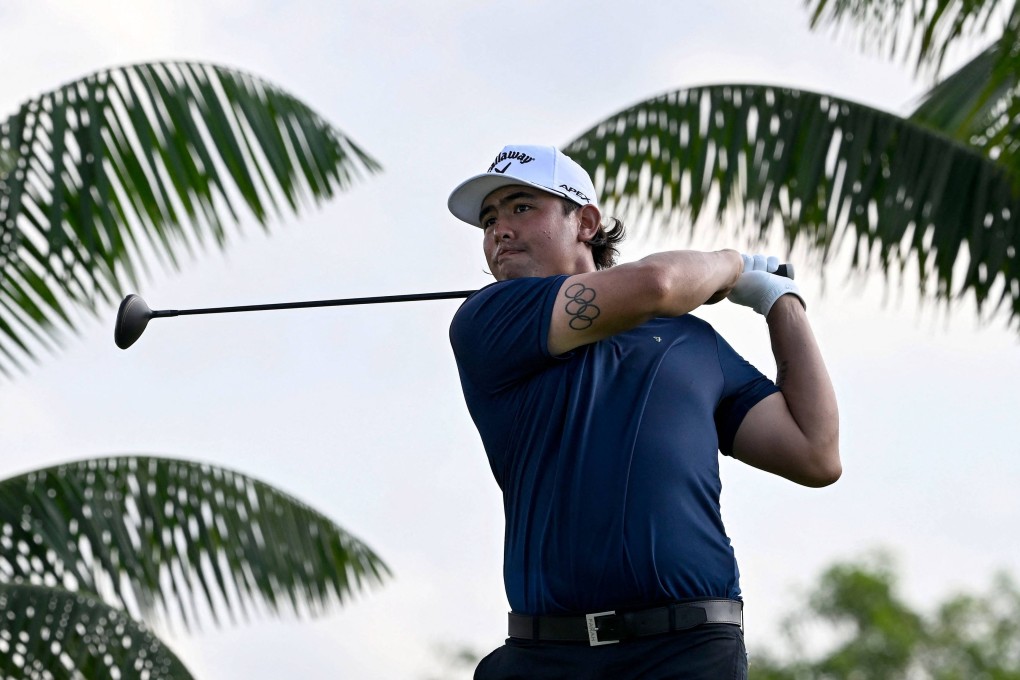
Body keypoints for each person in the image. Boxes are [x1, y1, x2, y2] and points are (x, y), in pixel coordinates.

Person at [447, 144, 840, 679]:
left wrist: (780, 303)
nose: (499, 230)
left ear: (585, 221)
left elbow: (815, 455)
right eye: (488, 220)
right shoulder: (489, 320)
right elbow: (656, 284)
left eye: (520, 208)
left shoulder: (693, 342)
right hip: (546, 657)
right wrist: (732, 263)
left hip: (689, 653)